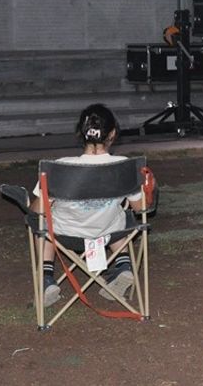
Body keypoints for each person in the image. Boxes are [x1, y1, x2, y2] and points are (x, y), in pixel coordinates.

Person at [31, 104, 146, 306]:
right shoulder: (125, 166)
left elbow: (39, 209)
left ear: (80, 133)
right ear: (112, 134)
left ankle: (46, 278)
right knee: (122, 215)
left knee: (40, 224)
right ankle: (123, 265)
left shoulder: (60, 167)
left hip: (65, 236)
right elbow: (141, 208)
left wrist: (29, 206)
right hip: (109, 232)